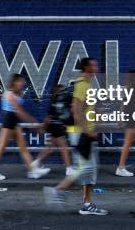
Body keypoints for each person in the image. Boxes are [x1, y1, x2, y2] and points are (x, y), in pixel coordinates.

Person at [43, 58, 109, 216]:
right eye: (93, 65)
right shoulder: (81, 85)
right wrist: (88, 130)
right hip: (80, 133)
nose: (96, 67)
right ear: (86, 67)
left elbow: (85, 110)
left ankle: (87, 204)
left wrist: (98, 116)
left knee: (90, 170)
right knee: (85, 168)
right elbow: (76, 109)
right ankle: (58, 191)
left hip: (84, 132)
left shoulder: (86, 85)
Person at [0, 74, 51, 181]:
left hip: (14, 123)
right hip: (8, 122)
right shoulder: (9, 94)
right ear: (15, 82)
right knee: (1, 146)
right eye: (21, 81)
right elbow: (19, 111)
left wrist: (32, 123)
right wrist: (33, 122)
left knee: (23, 147)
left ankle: (32, 171)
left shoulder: (16, 93)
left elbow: (18, 112)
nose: (23, 83)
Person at [31, 84, 75, 176]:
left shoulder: (54, 102)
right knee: (64, 147)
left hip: (54, 126)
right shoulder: (59, 102)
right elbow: (49, 117)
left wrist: (44, 127)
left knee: (49, 149)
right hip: (56, 127)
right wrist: (43, 127)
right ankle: (68, 169)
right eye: (62, 90)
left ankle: (35, 164)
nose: (64, 92)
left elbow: (49, 117)